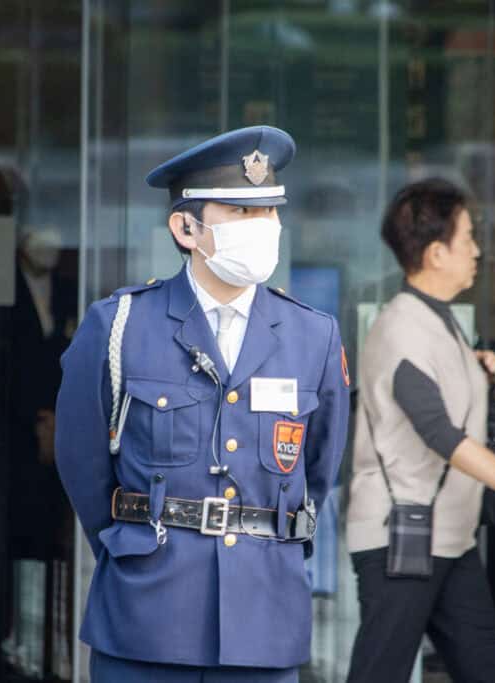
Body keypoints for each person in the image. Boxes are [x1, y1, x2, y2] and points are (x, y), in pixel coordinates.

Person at [54, 125, 350, 682]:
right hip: (148, 618)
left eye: (268, 214)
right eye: (240, 214)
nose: (262, 229)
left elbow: (319, 472)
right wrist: (137, 542)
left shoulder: (314, 336)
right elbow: (82, 465)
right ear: (185, 227)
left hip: (264, 622)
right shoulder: (118, 327)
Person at [345, 178, 495, 683]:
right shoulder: (402, 328)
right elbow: (440, 434)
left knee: (486, 670)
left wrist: (479, 371)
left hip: (447, 537)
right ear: (434, 254)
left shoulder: (439, 321)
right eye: (467, 238)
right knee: (380, 672)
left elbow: (439, 399)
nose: (476, 251)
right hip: (399, 538)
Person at [0, 166, 75, 676]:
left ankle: (54, 653)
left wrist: (61, 424)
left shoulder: (73, 281)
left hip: (60, 442)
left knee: (55, 544)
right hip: (3, 439)